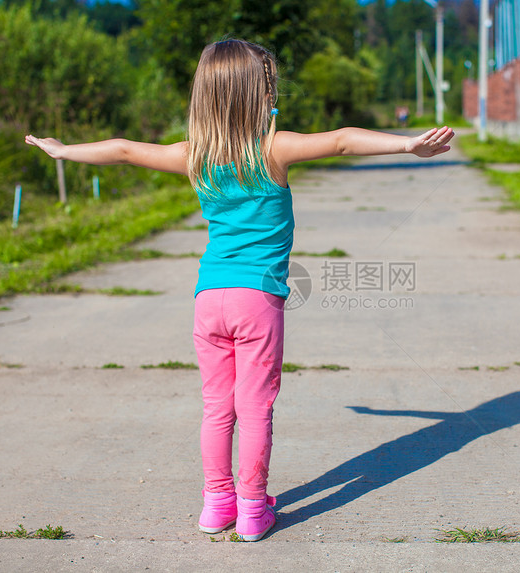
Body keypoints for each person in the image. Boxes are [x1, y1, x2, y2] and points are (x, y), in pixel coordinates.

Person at [25, 39, 454, 542]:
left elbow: (121, 150)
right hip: (258, 301)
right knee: (254, 408)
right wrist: (408, 144)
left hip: (209, 299)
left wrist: (62, 150)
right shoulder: (272, 148)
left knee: (216, 407)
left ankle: (216, 505)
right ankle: (252, 510)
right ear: (258, 94)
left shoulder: (194, 155)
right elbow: (341, 140)